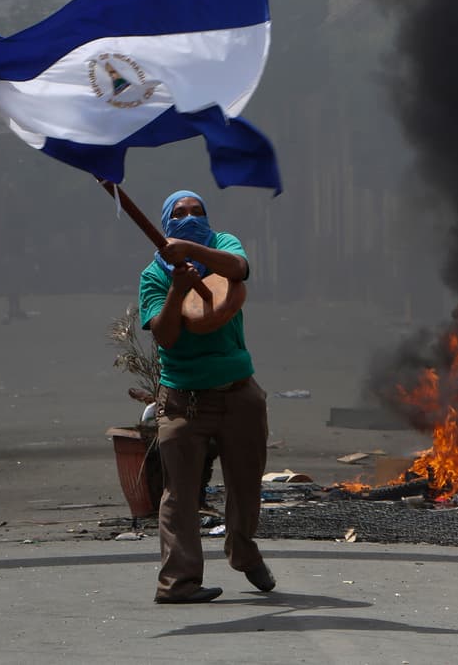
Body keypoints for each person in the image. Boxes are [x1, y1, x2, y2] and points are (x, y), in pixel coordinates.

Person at [139, 189, 275, 604]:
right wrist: (178, 289)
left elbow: (239, 269)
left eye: (197, 211)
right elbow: (165, 335)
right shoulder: (154, 275)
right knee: (180, 495)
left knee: (246, 484)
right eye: (179, 213)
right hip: (184, 400)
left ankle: (243, 551)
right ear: (166, 223)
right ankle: (178, 583)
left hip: (239, 392)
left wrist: (191, 250)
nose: (190, 217)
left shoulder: (222, 244)